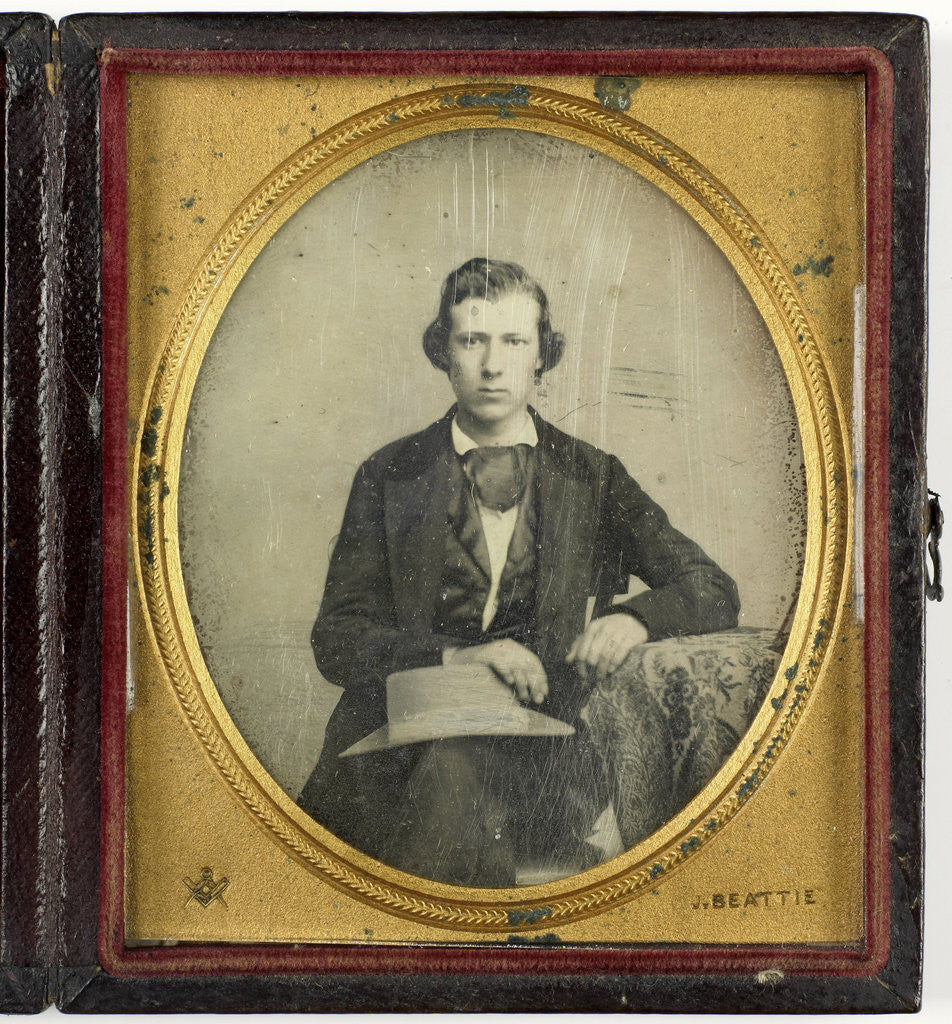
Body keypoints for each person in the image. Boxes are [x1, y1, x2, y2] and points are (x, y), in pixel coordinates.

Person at [298, 257, 739, 886]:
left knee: (455, 776)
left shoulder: (591, 476)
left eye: (514, 341)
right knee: (438, 775)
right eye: (471, 340)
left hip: (542, 751)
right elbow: (336, 639)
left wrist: (633, 621)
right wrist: (455, 659)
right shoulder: (390, 473)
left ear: (543, 355)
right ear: (443, 351)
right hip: (392, 746)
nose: (492, 365)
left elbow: (712, 588)